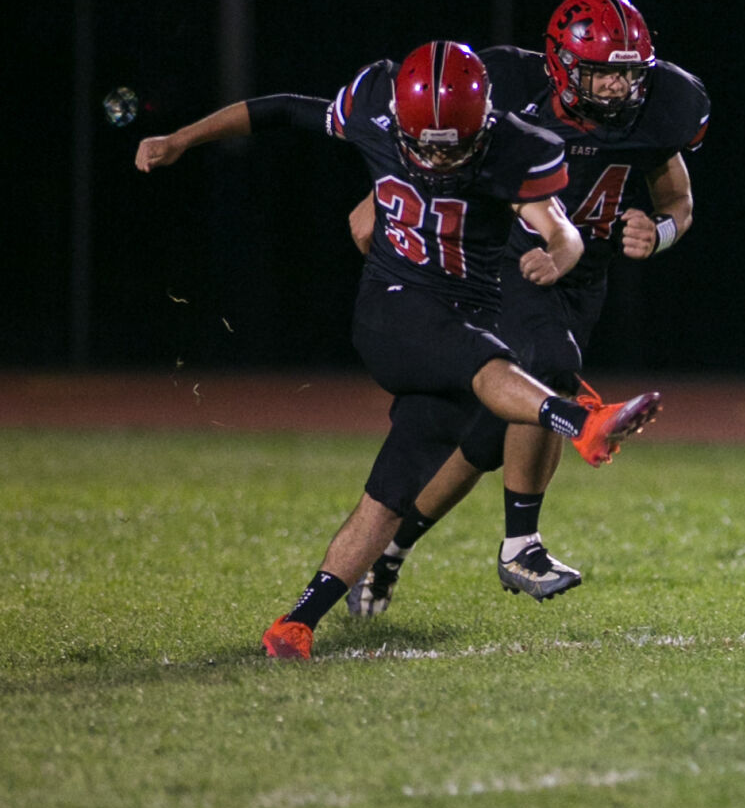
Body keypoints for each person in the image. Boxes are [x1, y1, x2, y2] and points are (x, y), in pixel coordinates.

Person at [135, 40, 662, 659]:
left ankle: (295, 623)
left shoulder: (520, 144)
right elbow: (276, 109)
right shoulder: (374, 105)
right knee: (493, 363)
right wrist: (180, 140)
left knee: (389, 493)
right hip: (394, 307)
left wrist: (560, 257)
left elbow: (562, 229)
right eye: (425, 143)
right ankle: (581, 421)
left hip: (465, 315)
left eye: (452, 144)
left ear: (485, 118)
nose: (437, 155)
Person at [346, 0, 708, 612]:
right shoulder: (507, 89)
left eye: (628, 74)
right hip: (508, 262)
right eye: (602, 73)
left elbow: (680, 201)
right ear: (563, 67)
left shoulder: (664, 108)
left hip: (582, 278)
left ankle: (389, 552)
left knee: (487, 436)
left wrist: (663, 231)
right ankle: (522, 545)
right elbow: (427, 158)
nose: (619, 90)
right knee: (548, 365)